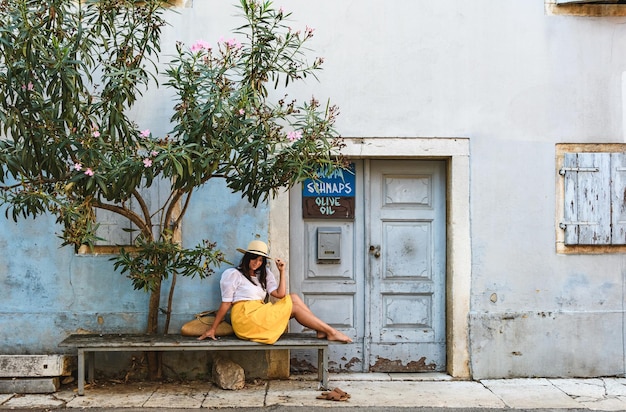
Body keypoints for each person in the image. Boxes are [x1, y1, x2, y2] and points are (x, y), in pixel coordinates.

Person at [198, 240, 352, 344]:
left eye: (260, 261)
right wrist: (213, 328)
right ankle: (329, 331)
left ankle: (322, 331)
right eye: (254, 259)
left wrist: (282, 271)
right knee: (295, 307)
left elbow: (280, 295)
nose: (257, 263)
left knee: (294, 297)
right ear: (247, 258)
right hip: (245, 317)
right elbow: (226, 304)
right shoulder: (233, 274)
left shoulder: (263, 274)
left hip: (260, 312)